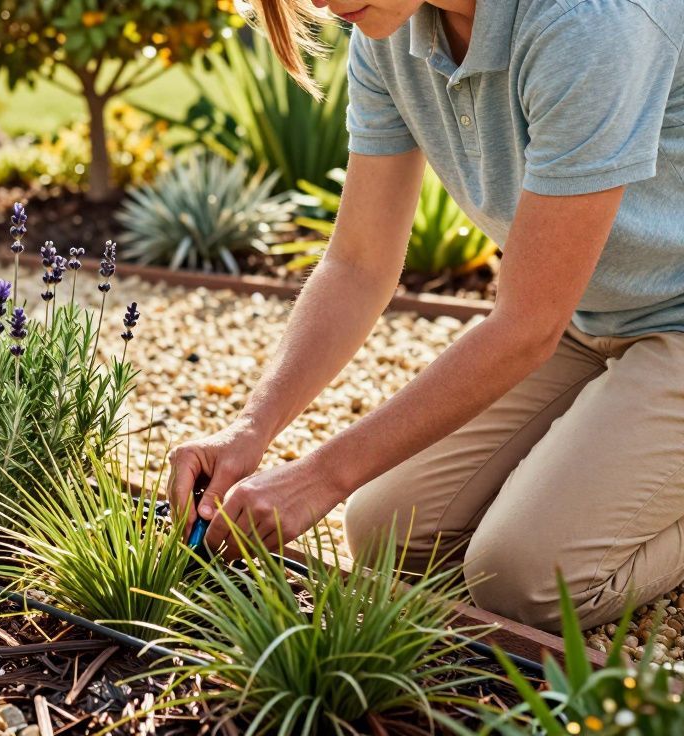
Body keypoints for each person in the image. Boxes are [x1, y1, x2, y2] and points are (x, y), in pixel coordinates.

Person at [168, 0, 684, 632]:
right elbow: (358, 264)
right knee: (388, 533)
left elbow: (525, 326)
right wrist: (250, 430)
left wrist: (322, 475)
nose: (326, 3)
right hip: (588, 317)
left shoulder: (588, 23)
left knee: (529, 580)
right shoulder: (389, 30)